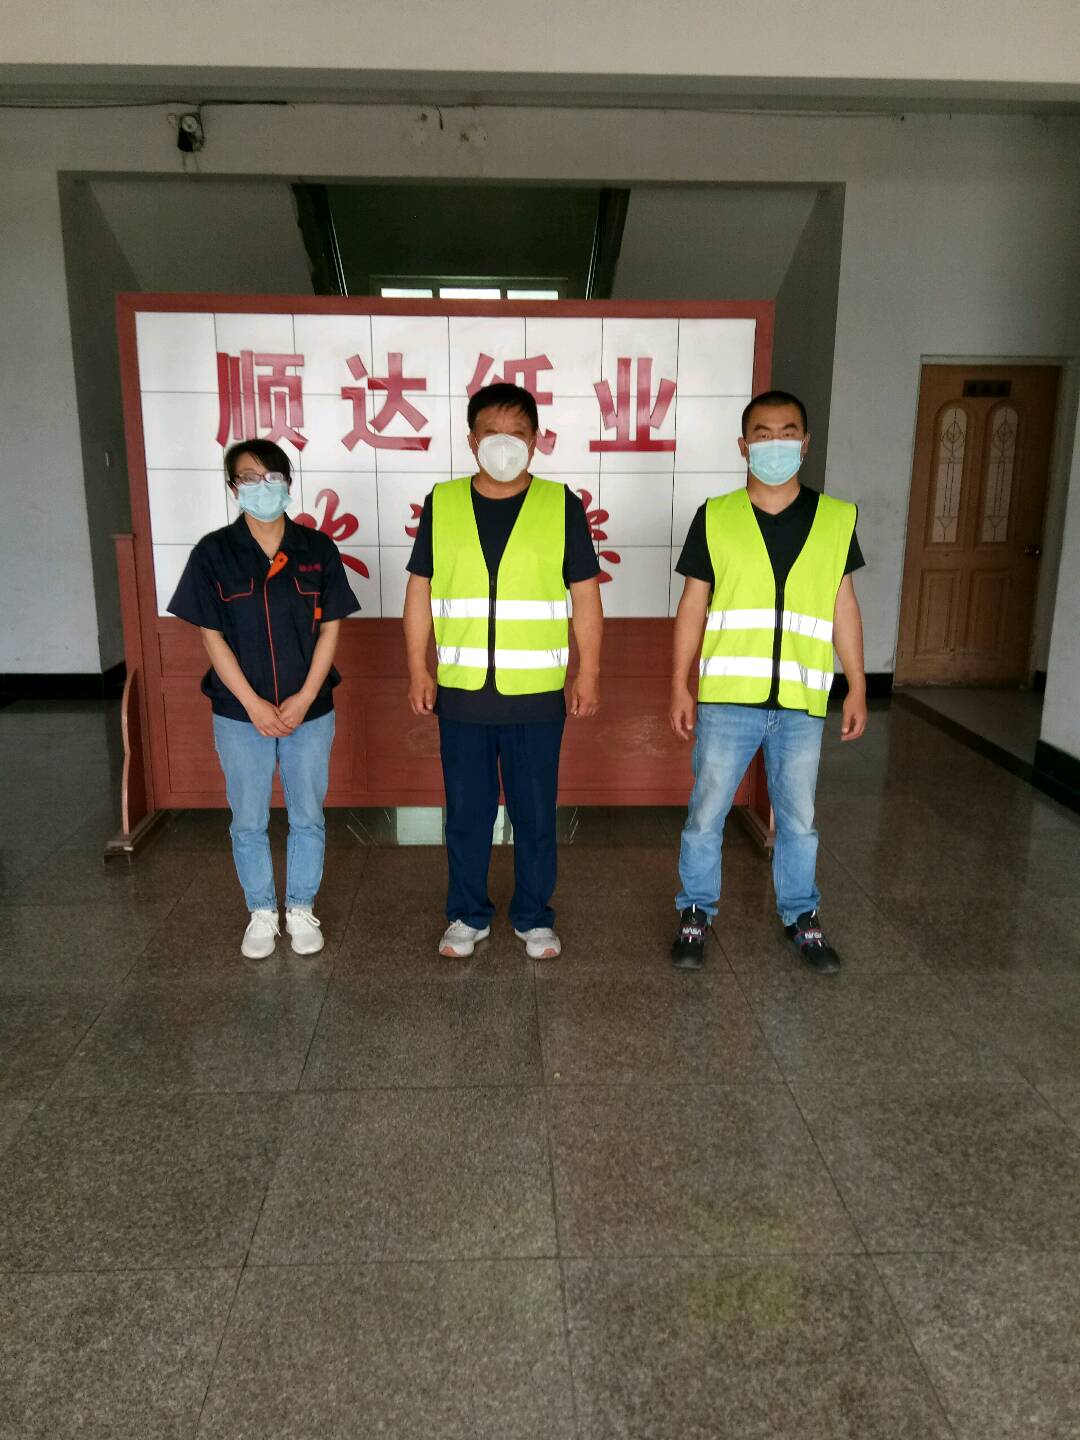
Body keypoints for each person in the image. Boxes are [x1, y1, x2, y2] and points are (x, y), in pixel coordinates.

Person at [403, 382, 603, 960]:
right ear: (471, 440)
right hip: (462, 693)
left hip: (535, 695)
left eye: (517, 433)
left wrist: (589, 672)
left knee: (534, 814)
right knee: (466, 814)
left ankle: (534, 917)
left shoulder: (561, 505)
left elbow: (585, 596)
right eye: (491, 432)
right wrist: (418, 666)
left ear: (536, 441)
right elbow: (420, 590)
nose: (504, 443)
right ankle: (466, 915)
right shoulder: (443, 503)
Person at [669, 389, 867, 973]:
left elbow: (844, 606)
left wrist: (857, 685)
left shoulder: (835, 519)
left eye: (787, 432)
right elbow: (693, 604)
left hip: (802, 698)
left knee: (798, 818)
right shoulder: (716, 515)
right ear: (743, 445)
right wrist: (679, 682)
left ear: (805, 443)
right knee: (706, 813)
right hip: (728, 698)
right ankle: (695, 911)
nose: (775, 443)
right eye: (763, 433)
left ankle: (802, 915)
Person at [168, 439, 360, 959]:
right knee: (248, 818)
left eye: (272, 476)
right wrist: (253, 704)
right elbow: (211, 636)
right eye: (249, 478)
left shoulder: (316, 549)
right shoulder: (213, 553)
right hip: (239, 713)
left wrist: (305, 697)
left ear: (288, 482)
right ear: (233, 488)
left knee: (307, 814)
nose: (262, 486)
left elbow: (331, 628)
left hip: (309, 711)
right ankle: (260, 911)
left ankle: (299, 908)